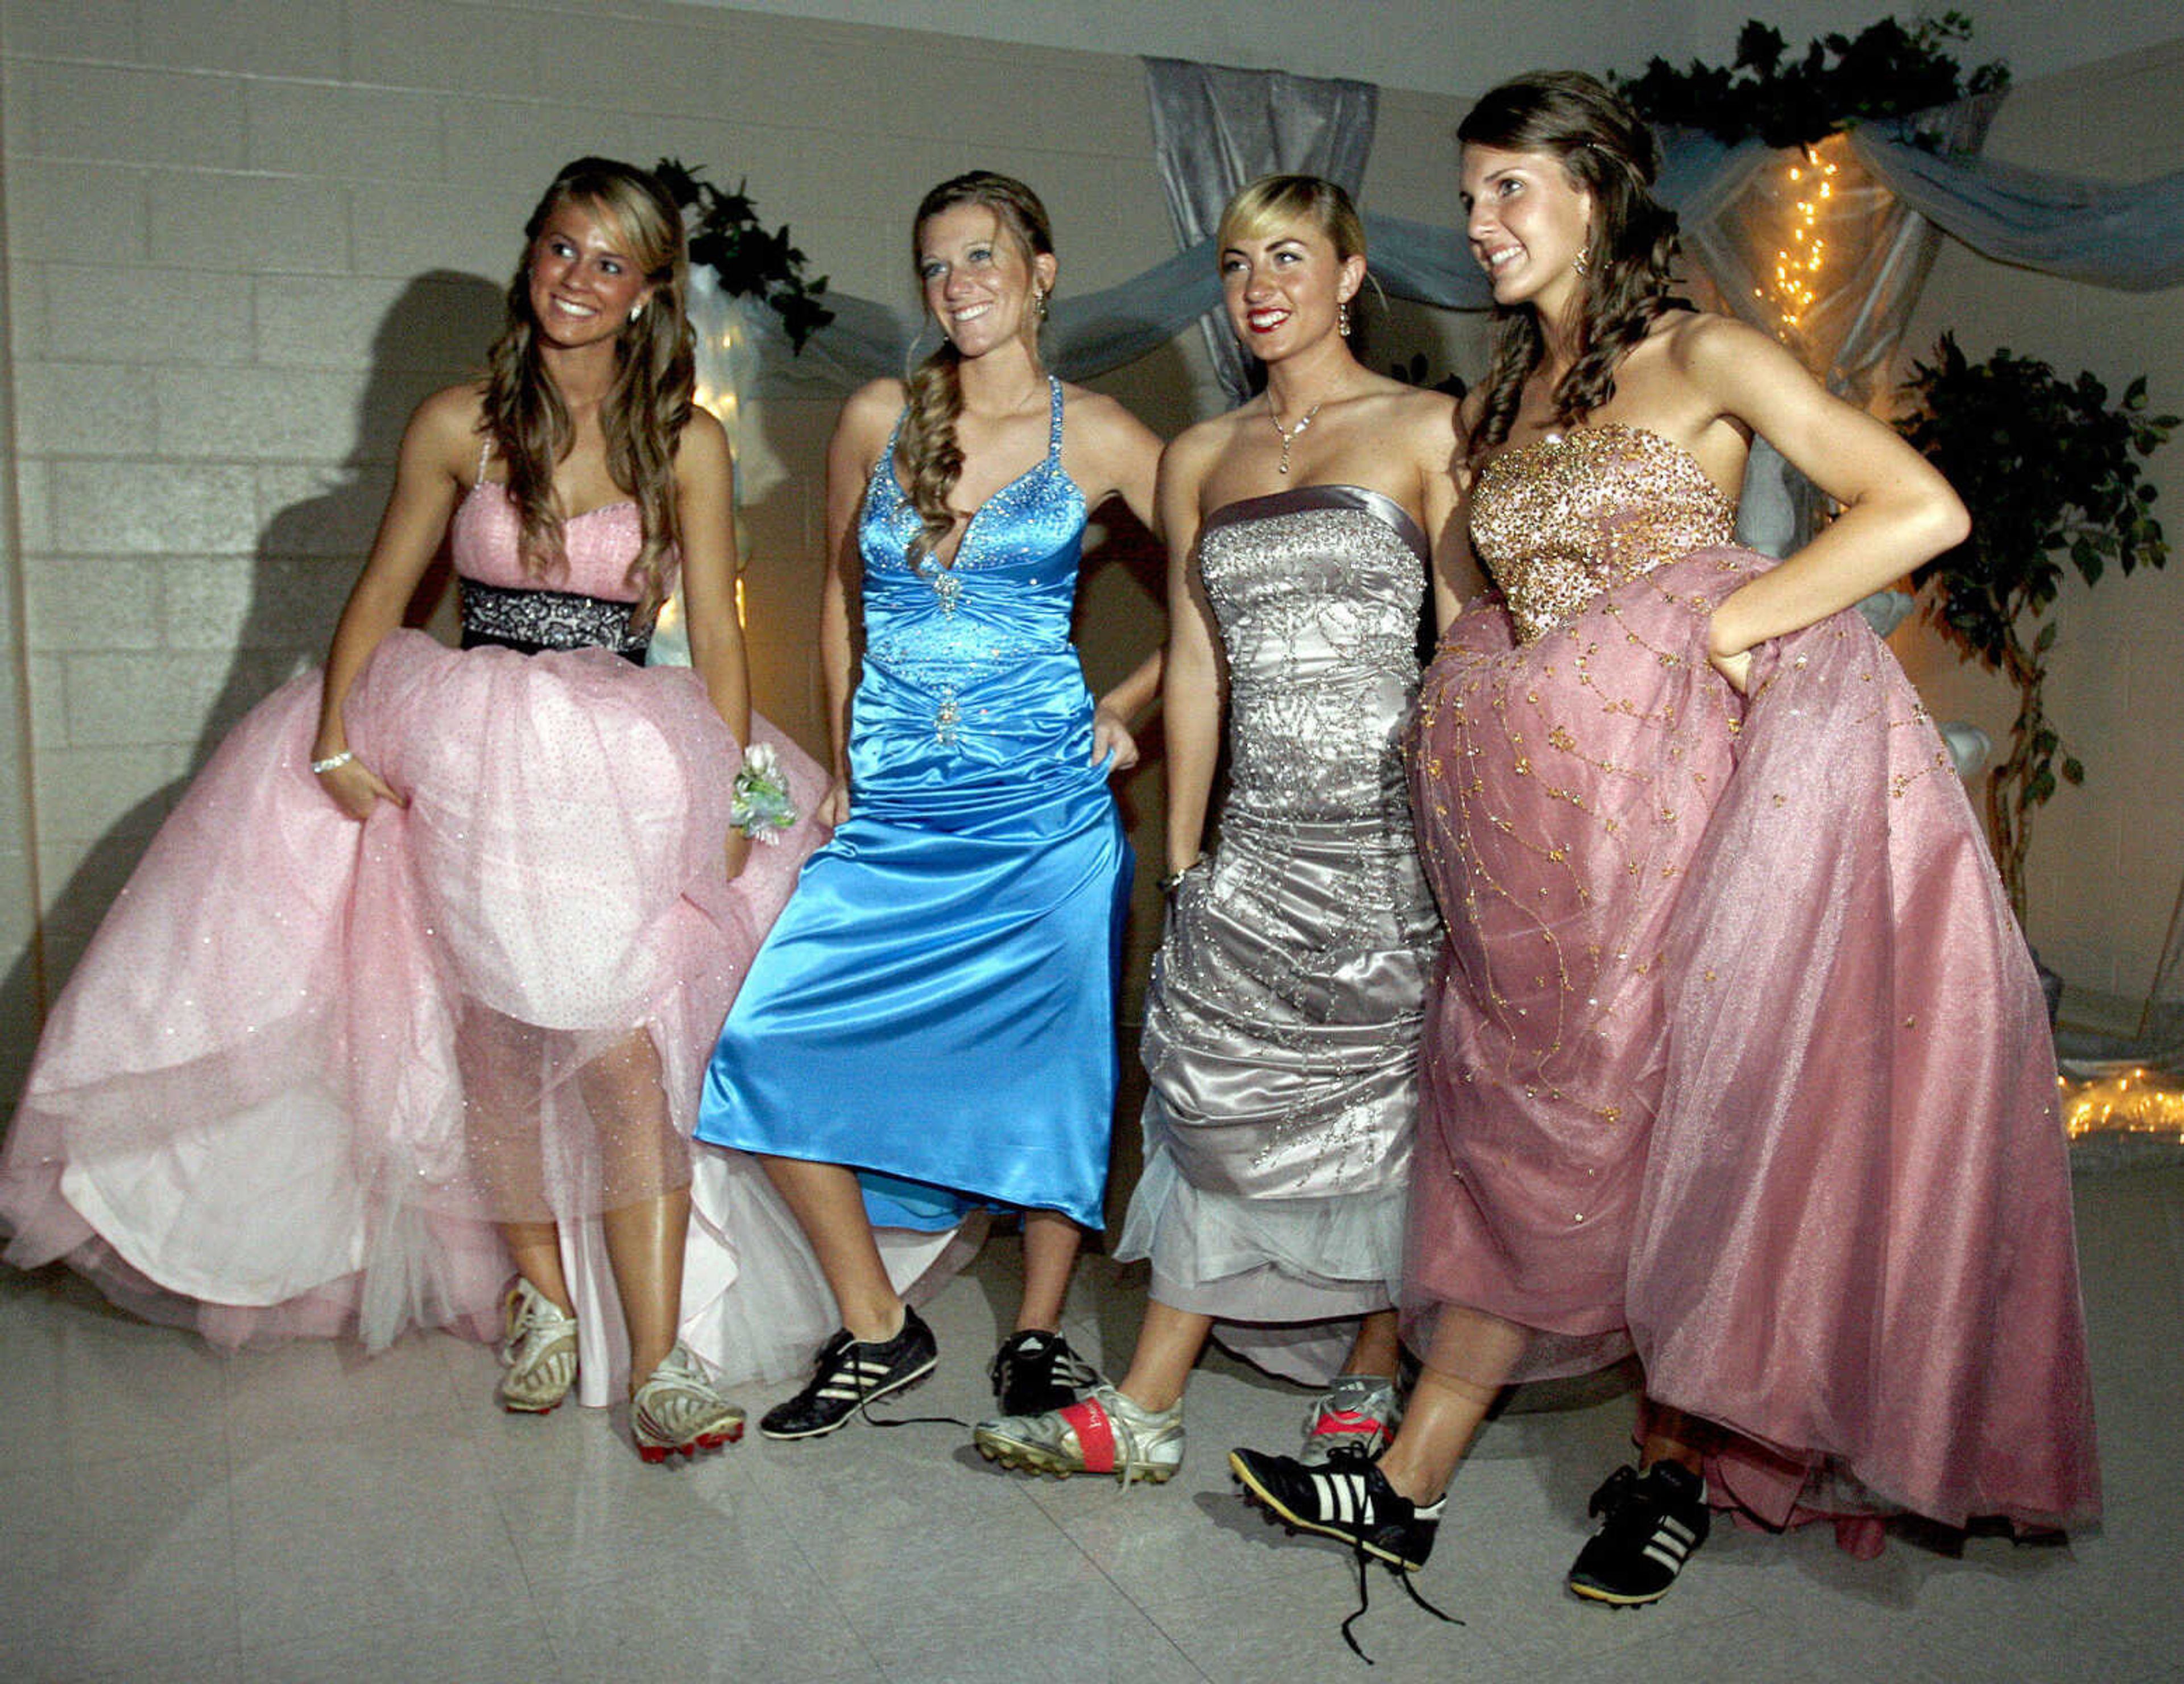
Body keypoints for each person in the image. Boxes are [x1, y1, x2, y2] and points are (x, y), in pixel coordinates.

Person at [1230, 72, 2099, 1602]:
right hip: (1530, 862)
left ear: (1597, 191)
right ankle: (1408, 1485)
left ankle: (1673, 1475)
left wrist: (1737, 620)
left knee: (1685, 1140)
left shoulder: (1700, 351)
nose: (1484, 221)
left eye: (1513, 188)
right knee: (1523, 1139)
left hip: (1684, 833)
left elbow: (1915, 507)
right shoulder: (1497, 398)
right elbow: (1479, 614)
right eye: (1476, 189)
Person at [0, 157, 831, 1462]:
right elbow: (385, 593)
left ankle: (665, 1357)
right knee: (497, 1046)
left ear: (648, 293)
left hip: (621, 769)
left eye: (608, 263)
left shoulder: (688, 440)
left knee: (625, 1058)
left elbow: (719, 646)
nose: (576, 279)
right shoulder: (462, 422)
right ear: (532, 254)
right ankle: (547, 1304)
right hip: (475, 754)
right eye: (560, 248)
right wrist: (334, 734)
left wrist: (730, 793)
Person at [973, 176, 1457, 1485]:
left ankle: (1371, 1369)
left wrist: (1471, 843)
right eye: (1239, 261)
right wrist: (1188, 854)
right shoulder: (1201, 455)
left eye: (1291, 257)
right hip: (1256, 839)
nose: (1260, 285)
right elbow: (1196, 659)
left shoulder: (1427, 429)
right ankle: (1148, 1404)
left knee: (1394, 1114)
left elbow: (1469, 652)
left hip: (1394, 838)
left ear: (1353, 274)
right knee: (1212, 1097)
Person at [696, 171, 1163, 1440]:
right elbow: (843, 590)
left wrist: (1133, 700)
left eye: (982, 257)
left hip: (1047, 809)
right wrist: (847, 757)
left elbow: (1237, 581)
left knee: (1055, 1074)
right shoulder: (880, 413)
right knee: (768, 1047)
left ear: (1042, 267)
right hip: (899, 804)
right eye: (936, 267)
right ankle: (879, 1327)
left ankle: (1037, 1334)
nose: (959, 287)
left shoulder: (1106, 434)